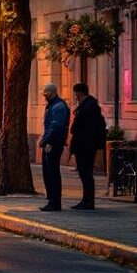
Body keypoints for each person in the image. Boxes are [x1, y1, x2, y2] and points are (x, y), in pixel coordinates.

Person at [68, 82, 106, 210]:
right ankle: (86, 200)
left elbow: (85, 127)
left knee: (86, 173)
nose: (75, 96)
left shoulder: (89, 107)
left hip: (86, 145)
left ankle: (88, 201)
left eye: (76, 93)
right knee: (84, 173)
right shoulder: (88, 106)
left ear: (80, 93)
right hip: (85, 144)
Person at [39, 83, 70, 211]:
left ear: (50, 93)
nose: (44, 97)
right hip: (50, 142)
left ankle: (55, 202)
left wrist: (47, 141)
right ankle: (52, 200)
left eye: (45, 94)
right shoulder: (53, 106)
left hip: (53, 144)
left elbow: (56, 127)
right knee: (49, 172)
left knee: (52, 173)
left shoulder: (58, 107)